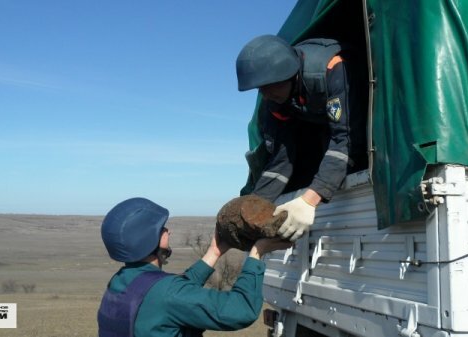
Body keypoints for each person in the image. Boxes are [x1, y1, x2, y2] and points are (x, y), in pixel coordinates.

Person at [97, 197, 292, 337]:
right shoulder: (167, 294)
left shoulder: (121, 282)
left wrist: (214, 252)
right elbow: (242, 310)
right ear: (146, 239)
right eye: (162, 229)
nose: (168, 230)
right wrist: (258, 252)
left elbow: (170, 293)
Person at [236, 34, 367, 242]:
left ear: (286, 72)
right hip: (325, 133)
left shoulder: (332, 68)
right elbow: (280, 160)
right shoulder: (274, 101)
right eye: (260, 89)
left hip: (363, 125)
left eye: (268, 86)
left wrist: (309, 199)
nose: (264, 94)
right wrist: (252, 206)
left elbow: (347, 139)